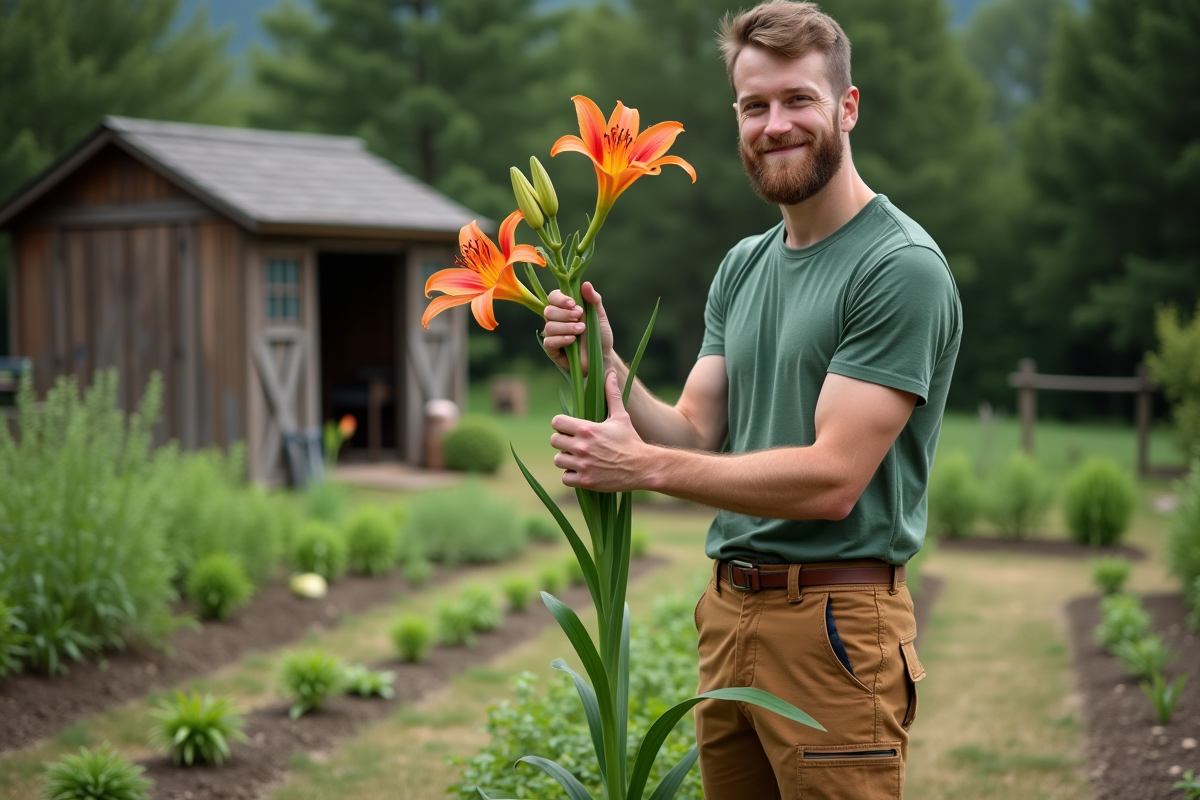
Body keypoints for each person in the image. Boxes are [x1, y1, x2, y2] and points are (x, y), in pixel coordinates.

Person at [540, 1, 962, 798]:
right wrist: (608, 367)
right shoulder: (744, 264)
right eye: (754, 105)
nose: (775, 125)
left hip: (834, 628)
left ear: (847, 106)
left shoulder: (898, 268)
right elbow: (696, 429)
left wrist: (643, 466)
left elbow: (833, 481)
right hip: (729, 616)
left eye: (798, 99)